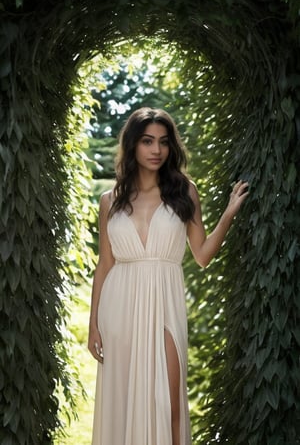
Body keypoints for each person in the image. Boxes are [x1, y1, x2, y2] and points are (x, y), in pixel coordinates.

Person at [88, 107, 248, 445]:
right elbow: (104, 265)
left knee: (170, 404)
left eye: (163, 142)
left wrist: (229, 213)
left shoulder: (184, 192)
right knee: (125, 403)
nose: (156, 150)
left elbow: (202, 255)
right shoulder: (110, 201)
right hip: (118, 311)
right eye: (147, 141)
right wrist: (93, 327)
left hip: (164, 303)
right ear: (132, 145)